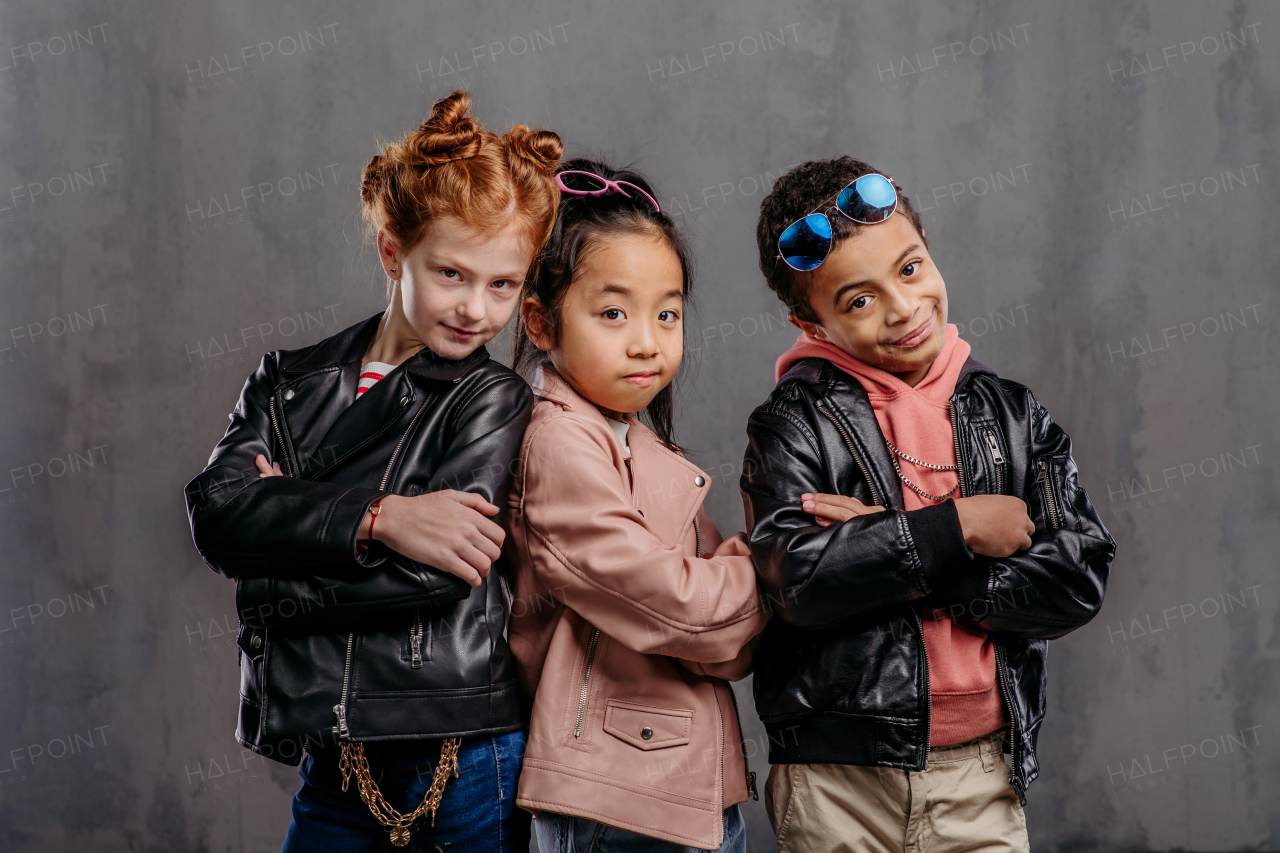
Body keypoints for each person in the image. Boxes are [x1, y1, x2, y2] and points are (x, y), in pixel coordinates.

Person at [184, 91, 561, 852]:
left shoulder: (492, 396)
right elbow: (218, 511)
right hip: (336, 759)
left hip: (460, 749)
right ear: (393, 252)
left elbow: (434, 575)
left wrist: (266, 575)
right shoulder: (289, 377)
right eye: (452, 273)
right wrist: (383, 517)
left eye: (504, 284)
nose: (477, 309)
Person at [740, 157, 1116, 852]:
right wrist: (959, 526)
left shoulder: (1010, 413)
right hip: (837, 777)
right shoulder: (793, 422)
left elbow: (1078, 577)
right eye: (857, 300)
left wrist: (894, 544)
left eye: (910, 269)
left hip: (981, 771)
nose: (903, 308)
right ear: (811, 322)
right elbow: (798, 580)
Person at [503, 159, 770, 852]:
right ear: (540, 322)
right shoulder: (557, 442)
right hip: (615, 797)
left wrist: (730, 600)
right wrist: (782, 559)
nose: (647, 340)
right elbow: (683, 608)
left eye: (668, 313)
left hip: (671, 780)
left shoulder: (635, 441)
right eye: (613, 312)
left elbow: (728, 641)